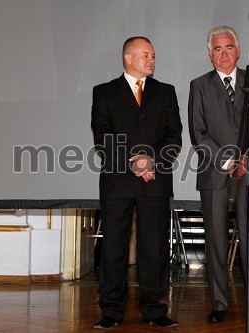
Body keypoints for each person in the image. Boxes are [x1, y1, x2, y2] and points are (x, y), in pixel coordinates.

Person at [188, 26, 249, 324]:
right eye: (217, 49)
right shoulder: (199, 86)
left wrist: (248, 158)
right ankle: (219, 303)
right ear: (209, 54)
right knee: (216, 241)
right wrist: (227, 161)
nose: (223, 53)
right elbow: (198, 132)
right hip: (214, 173)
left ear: (239, 50)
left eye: (228, 47)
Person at [91, 36, 182, 329]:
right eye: (145, 55)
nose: (152, 60)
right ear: (127, 58)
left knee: (154, 247)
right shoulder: (104, 92)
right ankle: (111, 310)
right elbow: (102, 135)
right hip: (118, 179)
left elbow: (174, 134)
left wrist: (150, 160)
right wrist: (134, 160)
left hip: (155, 180)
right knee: (114, 247)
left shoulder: (166, 92)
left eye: (153, 55)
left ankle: (155, 310)